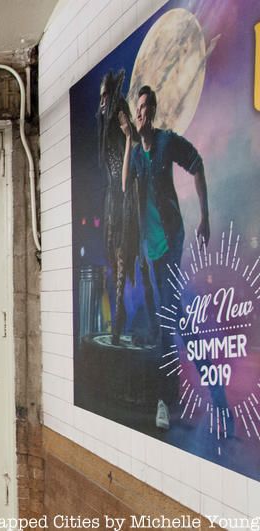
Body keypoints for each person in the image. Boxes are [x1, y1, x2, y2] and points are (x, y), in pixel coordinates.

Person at [119, 85, 210, 430]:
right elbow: (125, 185)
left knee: (167, 320)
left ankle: (164, 402)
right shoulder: (137, 154)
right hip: (151, 251)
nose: (141, 112)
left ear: (153, 111)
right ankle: (211, 378)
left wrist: (205, 218)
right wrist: (128, 140)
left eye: (146, 107)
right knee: (178, 317)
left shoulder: (166, 141)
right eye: (138, 107)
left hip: (171, 242)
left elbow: (197, 164)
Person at [96, 71, 152, 346]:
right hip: (115, 195)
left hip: (128, 194)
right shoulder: (105, 119)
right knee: (118, 256)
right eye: (101, 97)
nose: (102, 101)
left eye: (105, 95)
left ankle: (129, 322)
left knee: (133, 257)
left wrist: (128, 136)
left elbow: (131, 143)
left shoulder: (118, 112)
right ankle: (121, 321)